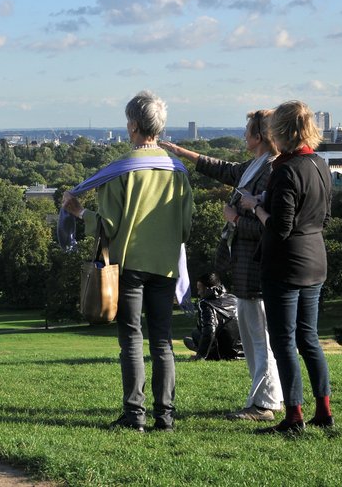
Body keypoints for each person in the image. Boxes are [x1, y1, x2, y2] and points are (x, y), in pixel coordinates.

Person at [61, 90, 193, 432]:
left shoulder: (122, 170)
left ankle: (135, 415)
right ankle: (166, 417)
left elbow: (107, 226)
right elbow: (187, 226)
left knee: (131, 340)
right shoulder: (177, 171)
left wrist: (79, 213)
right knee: (162, 341)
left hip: (129, 265)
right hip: (165, 265)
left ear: (133, 125)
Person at [162, 110, 283, 421]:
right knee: (254, 335)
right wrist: (179, 151)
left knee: (259, 336)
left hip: (255, 265)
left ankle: (265, 404)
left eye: (247, 131)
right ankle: (263, 400)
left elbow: (271, 226)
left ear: (259, 136)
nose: (244, 136)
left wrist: (236, 219)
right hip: (245, 265)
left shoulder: (270, 170)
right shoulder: (256, 166)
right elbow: (222, 169)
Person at [240, 100, 333, 434]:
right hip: (315, 259)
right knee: (309, 338)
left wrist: (254, 207)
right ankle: (324, 410)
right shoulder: (319, 163)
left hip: (284, 264)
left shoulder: (284, 169)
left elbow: (278, 228)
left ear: (278, 131)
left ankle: (294, 416)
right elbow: (323, 215)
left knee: (283, 341)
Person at [184, 273, 243, 360]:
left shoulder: (205, 304)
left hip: (223, 354)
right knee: (191, 337)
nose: (198, 293)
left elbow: (209, 331)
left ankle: (202, 351)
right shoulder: (234, 299)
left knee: (194, 333)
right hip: (243, 352)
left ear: (207, 289)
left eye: (199, 289)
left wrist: (200, 356)